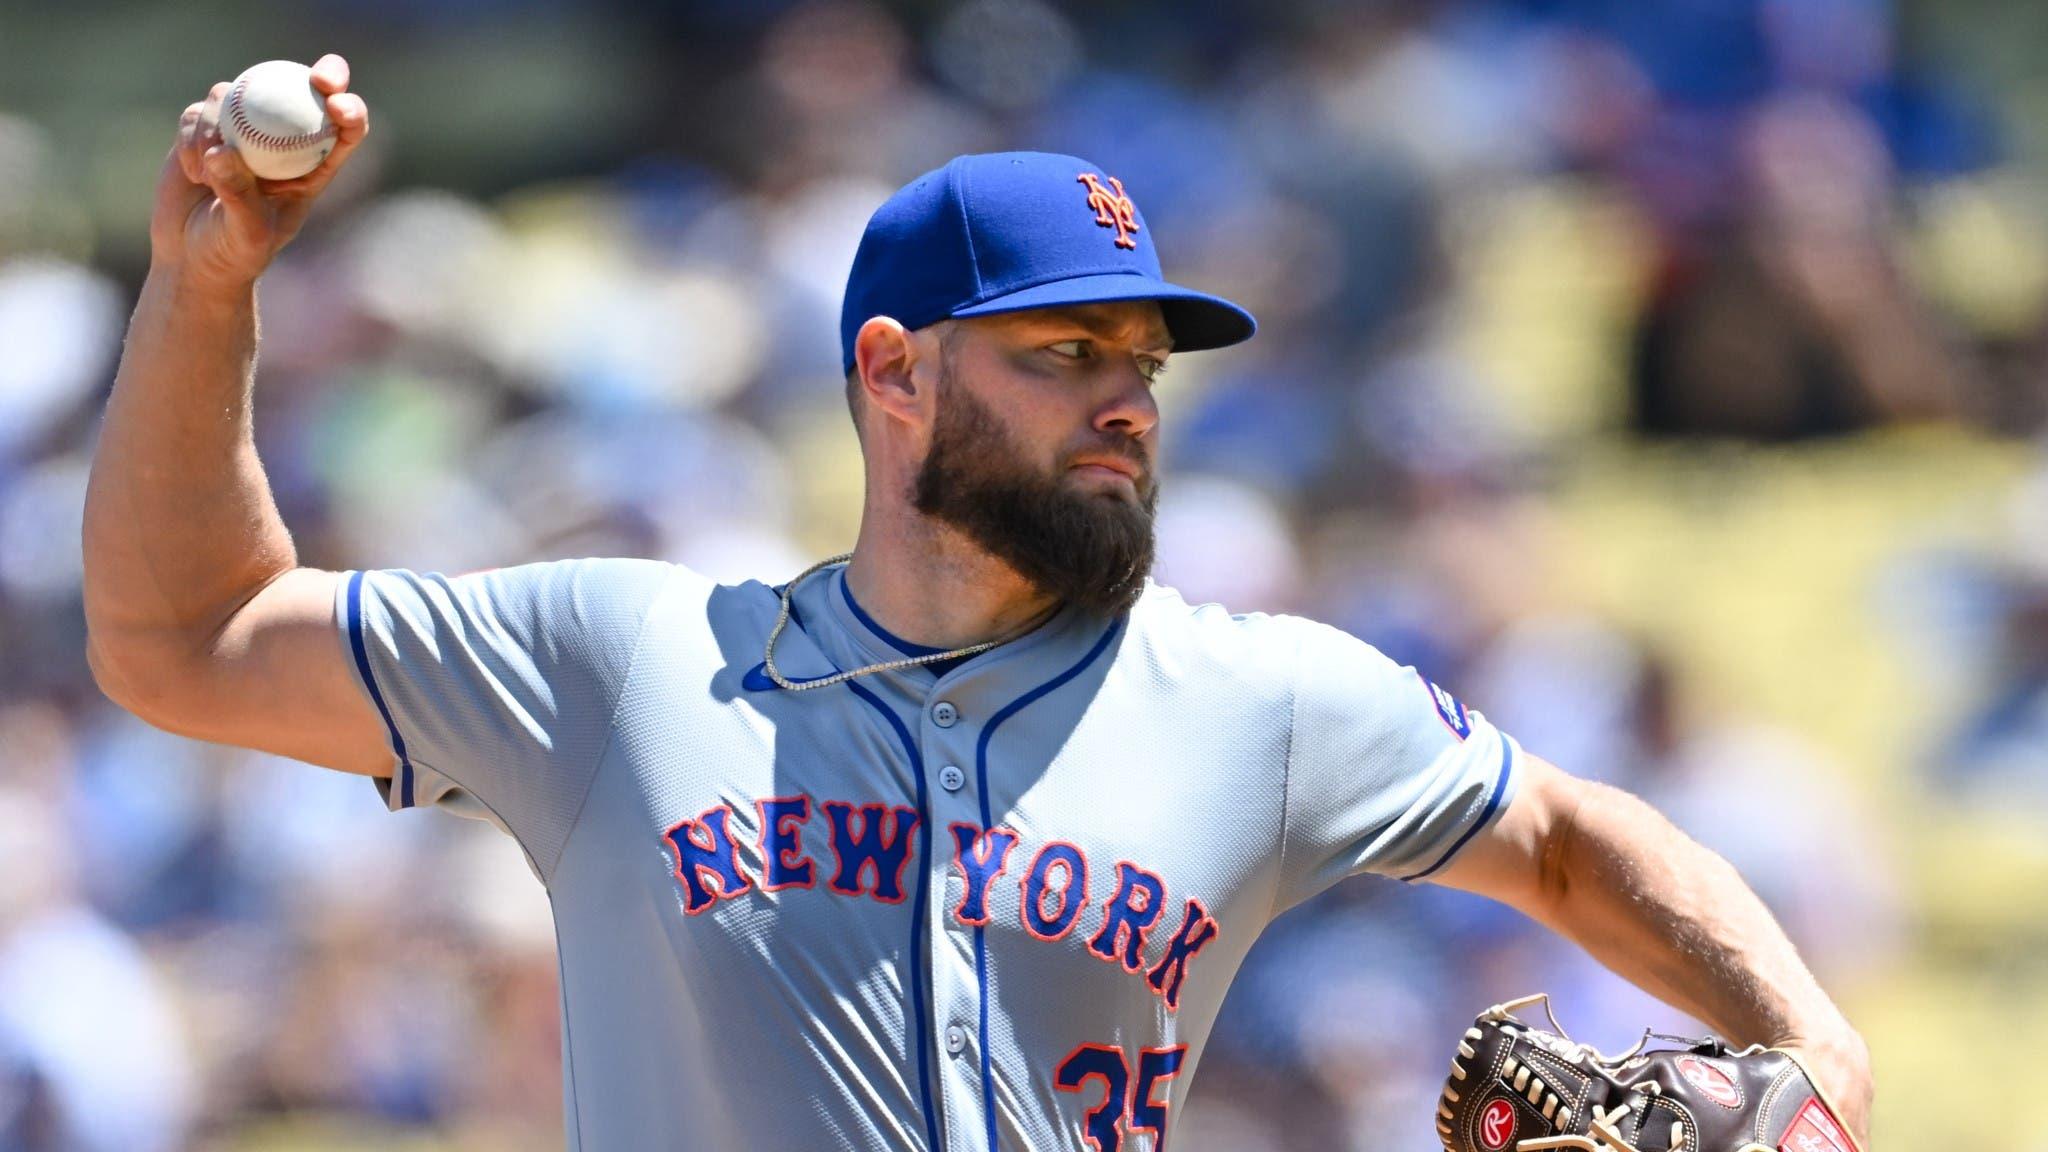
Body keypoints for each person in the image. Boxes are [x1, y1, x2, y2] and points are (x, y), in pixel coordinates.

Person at [83, 54, 1874, 1151]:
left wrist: (1811, 1048)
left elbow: (1563, 833)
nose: (1124, 396)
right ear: (893, 377)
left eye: (1143, 364)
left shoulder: (1260, 704)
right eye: (1063, 351)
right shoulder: (629, 665)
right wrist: (208, 291)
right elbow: (188, 641)